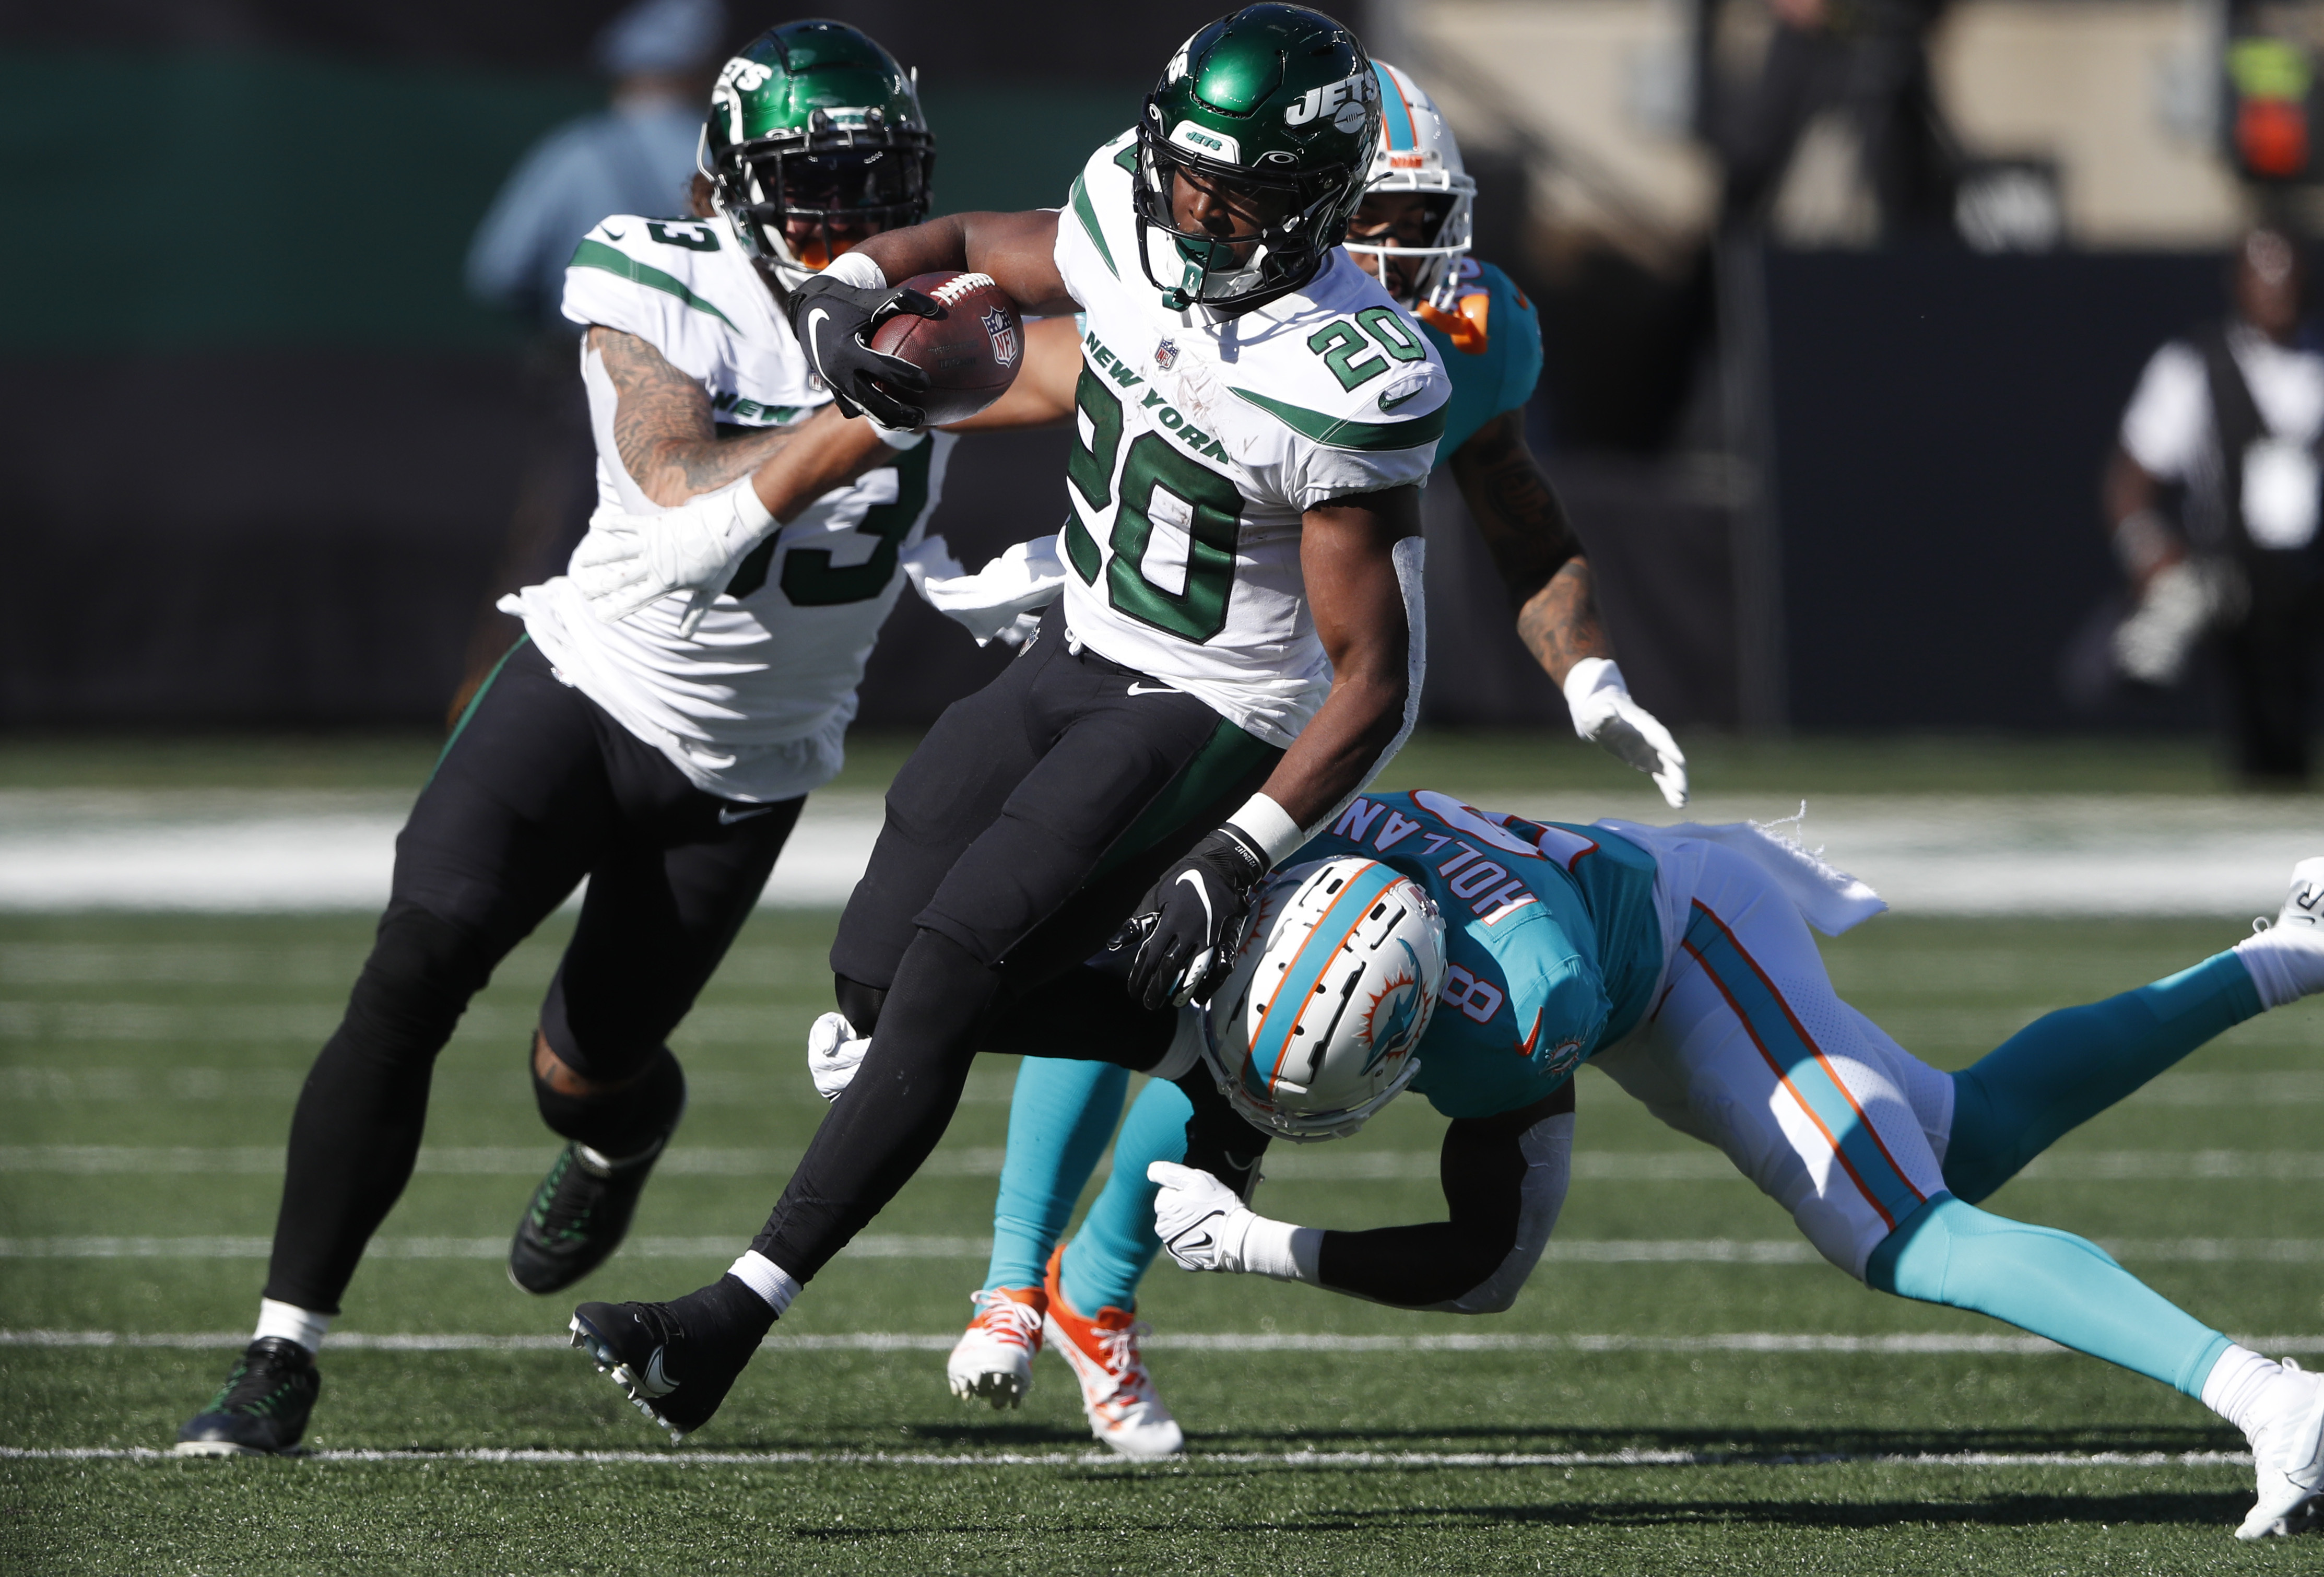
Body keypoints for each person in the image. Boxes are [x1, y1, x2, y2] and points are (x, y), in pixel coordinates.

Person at [561, 3, 1469, 1444]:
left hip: (1208, 699)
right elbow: (979, 245)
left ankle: (723, 1320)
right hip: (1081, 644)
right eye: (1186, 174)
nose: (1197, 211)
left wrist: (1240, 849)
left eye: (1239, 192)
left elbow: (1374, 680)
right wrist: (844, 293)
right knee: (869, 977)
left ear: (1314, 200)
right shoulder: (1129, 204)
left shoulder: (1345, 368)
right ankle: (1197, 1043)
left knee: (945, 967)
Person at [174, 19, 983, 1458]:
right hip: (588, 682)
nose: (850, 225)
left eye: (877, 186)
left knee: (587, 1065)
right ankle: (278, 1352)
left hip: (743, 769)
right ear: (731, 187)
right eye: (814, 186)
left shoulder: (951, 309)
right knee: (415, 961)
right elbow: (674, 475)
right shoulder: (649, 263)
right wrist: (859, 409)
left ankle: (617, 1135)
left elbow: (1126, 384)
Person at [902, 786, 2324, 1538]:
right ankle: (2286, 953)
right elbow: (1150, 999)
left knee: (1896, 1226)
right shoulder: (1304, 872)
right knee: (1967, 1130)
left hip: (1690, 953)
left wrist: (1275, 1248)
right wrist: (909, 1025)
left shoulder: (1525, 1011)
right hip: (1606, 919)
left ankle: (2268, 1397)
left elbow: (1493, 1262)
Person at [942, 60, 1689, 1457]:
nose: (1415, 246)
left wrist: (1590, 672)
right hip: (1180, 664)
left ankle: (1089, 1292)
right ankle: (1006, 1276)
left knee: (1262, 1001)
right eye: (1385, 211)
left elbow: (1519, 514)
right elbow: (1071, 365)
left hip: (1320, 711)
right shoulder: (1219, 282)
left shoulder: (1469, 334)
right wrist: (912, 430)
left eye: (1425, 212)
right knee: (1121, 929)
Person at [457, 0, 735, 710]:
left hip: (590, 381)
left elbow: (497, 269)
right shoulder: (726, 159)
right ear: (702, 68)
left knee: (559, 543)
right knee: (708, 553)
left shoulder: (576, 152)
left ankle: (497, 702)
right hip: (722, 387)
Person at [2106, 225, 2324, 785]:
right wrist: (2148, 553)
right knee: (2254, 742)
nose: (2276, 291)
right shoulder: (2193, 366)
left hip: (2311, 577)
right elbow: (2129, 478)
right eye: (2262, 276)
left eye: (2286, 276)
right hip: (2231, 580)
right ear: (2238, 283)